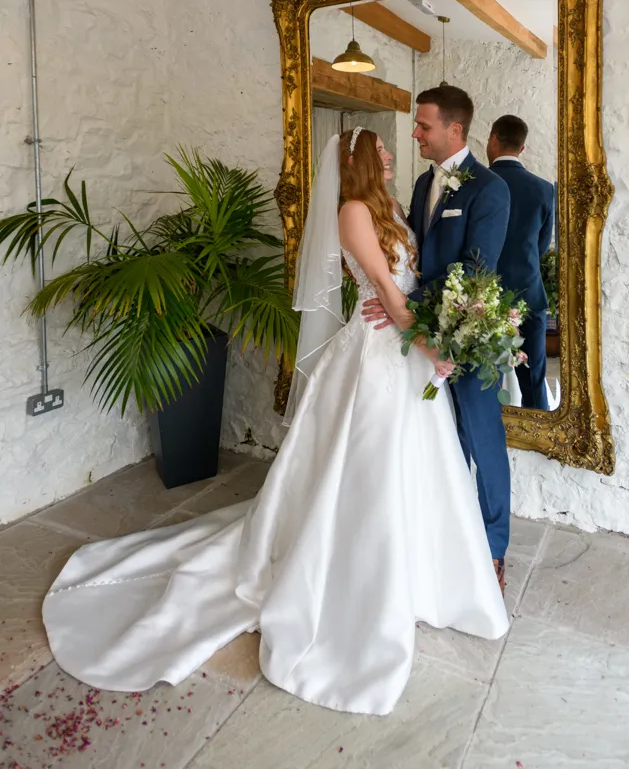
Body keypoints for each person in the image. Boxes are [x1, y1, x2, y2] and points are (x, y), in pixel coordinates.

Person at [42, 128, 508, 719]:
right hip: (379, 352)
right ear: (360, 160)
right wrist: (429, 344)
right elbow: (385, 289)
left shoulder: (391, 206)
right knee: (365, 468)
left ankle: (424, 569)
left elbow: (410, 281)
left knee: (418, 465)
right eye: (382, 150)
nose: (393, 154)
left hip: (402, 347)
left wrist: (430, 331)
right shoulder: (353, 212)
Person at [363, 86, 512, 592]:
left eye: (423, 126)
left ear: (455, 129)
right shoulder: (424, 181)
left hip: (466, 334)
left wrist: (401, 305)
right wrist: (396, 304)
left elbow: (476, 270)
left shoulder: (489, 188)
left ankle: (492, 549)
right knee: (441, 442)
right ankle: (449, 539)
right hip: (422, 339)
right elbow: (416, 255)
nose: (415, 134)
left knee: (481, 438)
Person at [487, 114, 555, 410]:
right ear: (522, 148)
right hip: (529, 292)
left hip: (484, 297)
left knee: (484, 378)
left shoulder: (480, 183)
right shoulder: (543, 189)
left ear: (493, 139)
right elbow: (541, 246)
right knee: (534, 378)